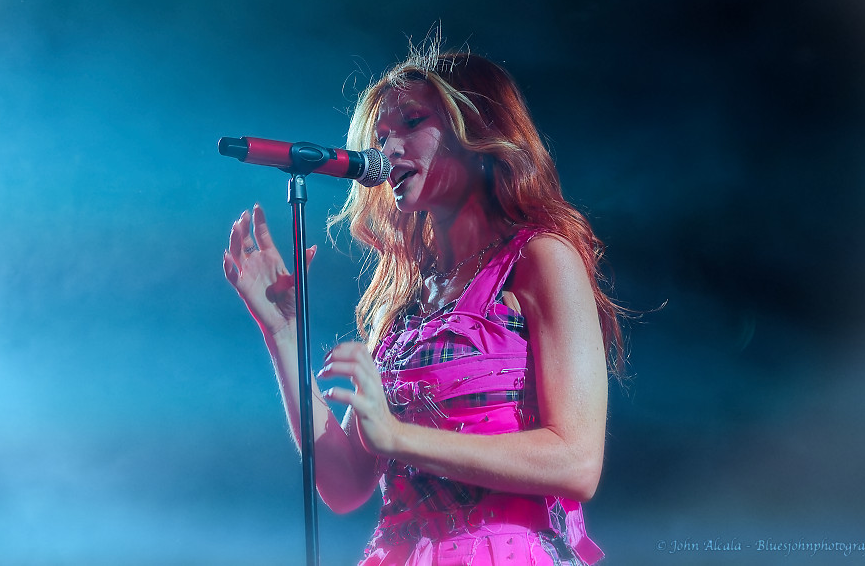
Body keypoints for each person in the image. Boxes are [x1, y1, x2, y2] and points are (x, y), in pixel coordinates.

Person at [223, 44, 624, 565]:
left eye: (412, 122)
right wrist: (283, 335)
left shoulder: (540, 260)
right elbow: (345, 484)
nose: (387, 147)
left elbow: (576, 461)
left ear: (478, 130)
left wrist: (398, 436)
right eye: (380, 136)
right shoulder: (405, 305)